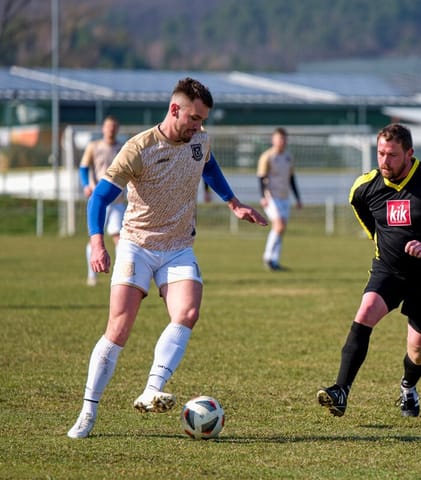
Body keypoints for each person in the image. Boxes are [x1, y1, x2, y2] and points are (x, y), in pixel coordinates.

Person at [67, 77, 267, 439]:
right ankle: (87, 411)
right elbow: (99, 198)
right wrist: (98, 243)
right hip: (137, 244)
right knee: (119, 328)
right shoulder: (137, 148)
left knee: (188, 312)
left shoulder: (199, 141)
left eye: (203, 119)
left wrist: (234, 203)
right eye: (194, 118)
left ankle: (151, 389)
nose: (199, 126)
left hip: (178, 247)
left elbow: (208, 166)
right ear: (175, 109)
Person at [317, 123, 421, 418]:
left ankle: (408, 387)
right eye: (380, 154)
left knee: (417, 350)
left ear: (409, 154)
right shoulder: (364, 188)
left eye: (392, 155)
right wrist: (383, 248)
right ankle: (341, 390)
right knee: (364, 314)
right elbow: (370, 224)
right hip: (389, 270)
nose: (385, 161)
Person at [79, 115, 125, 286]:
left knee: (118, 236)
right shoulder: (94, 146)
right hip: (100, 199)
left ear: (117, 128)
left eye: (114, 126)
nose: (111, 129)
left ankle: (121, 274)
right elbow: (84, 168)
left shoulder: (122, 148)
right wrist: (86, 184)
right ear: (103, 128)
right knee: (96, 237)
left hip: (118, 199)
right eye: (108, 126)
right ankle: (92, 275)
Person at [257, 127, 302, 271]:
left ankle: (274, 260)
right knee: (279, 225)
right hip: (271, 197)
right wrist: (262, 196)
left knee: (281, 229)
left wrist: (298, 198)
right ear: (273, 140)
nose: (282, 141)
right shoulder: (267, 157)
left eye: (284, 138)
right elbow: (261, 178)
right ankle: (268, 257)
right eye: (279, 138)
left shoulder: (288, 157)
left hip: (284, 197)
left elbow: (292, 178)